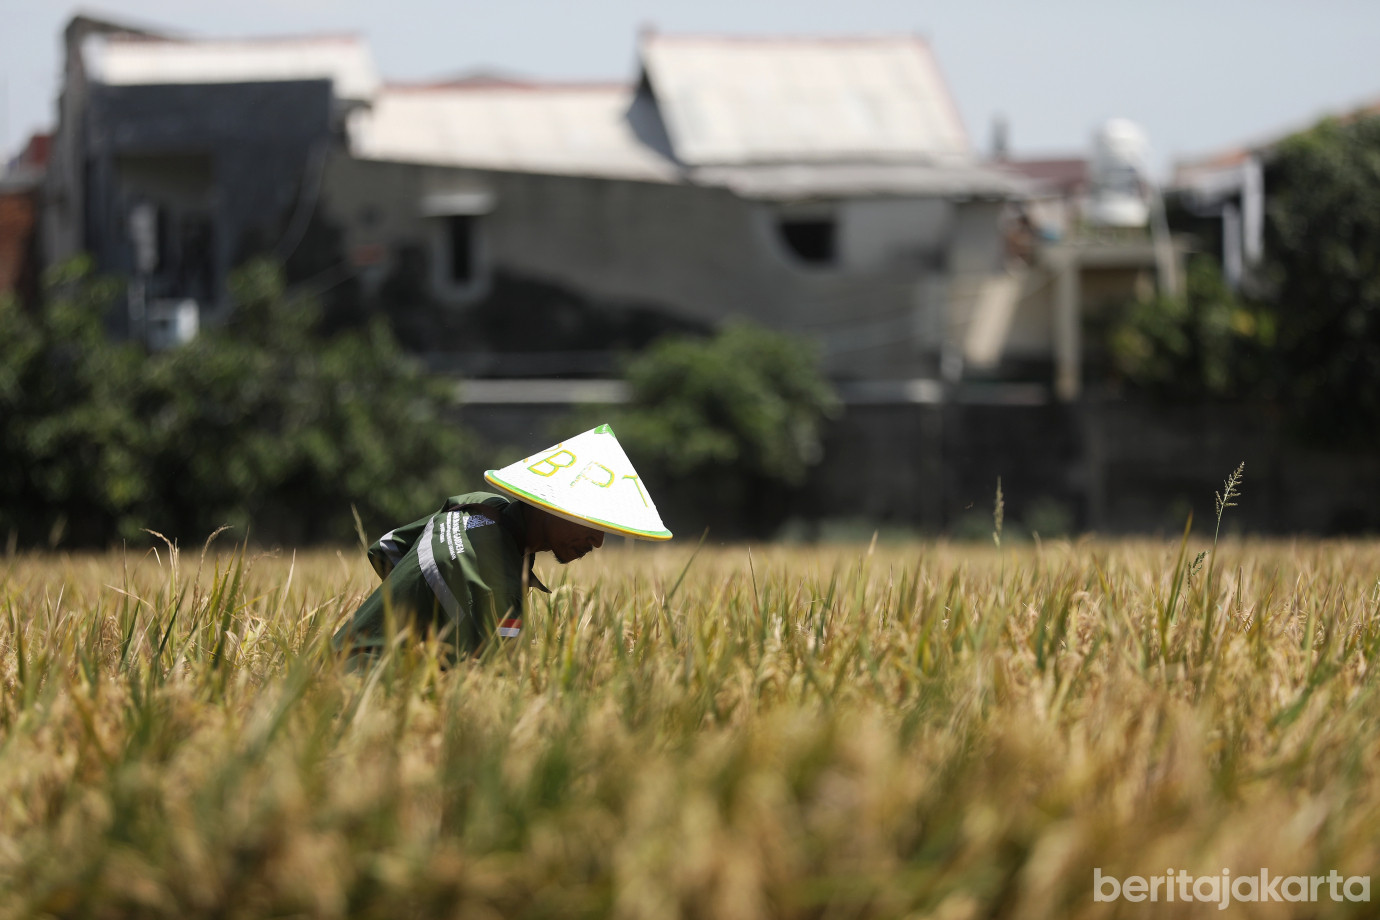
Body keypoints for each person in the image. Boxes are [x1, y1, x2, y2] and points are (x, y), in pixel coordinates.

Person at [333, 424, 671, 660]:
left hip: (330, 666)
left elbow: (387, 549)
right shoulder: (500, 585)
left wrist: (428, 610)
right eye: (589, 521)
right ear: (550, 506)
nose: (597, 540)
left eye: (604, 527)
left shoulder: (473, 504)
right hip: (362, 694)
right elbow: (493, 684)